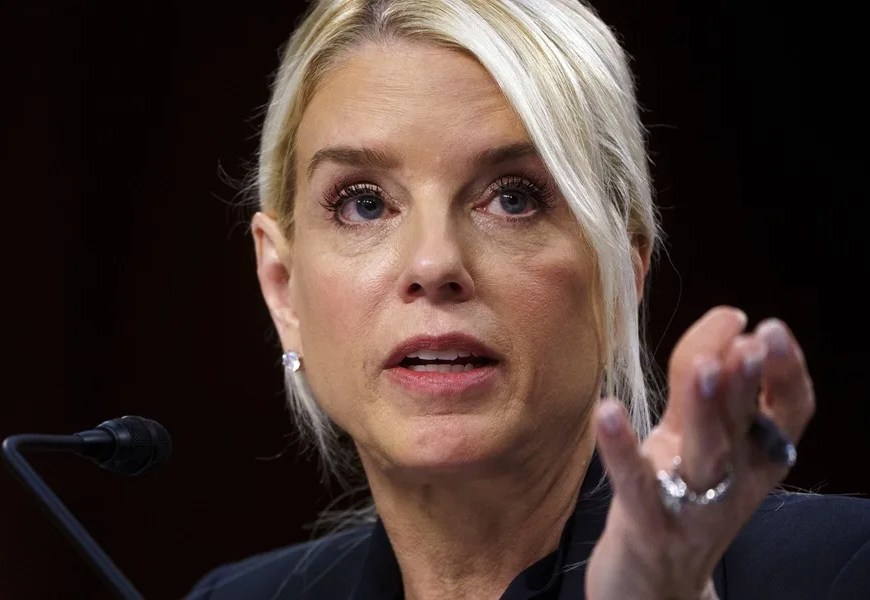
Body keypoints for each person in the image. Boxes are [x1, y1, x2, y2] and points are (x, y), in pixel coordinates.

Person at [188, 0, 870, 598]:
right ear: (283, 287)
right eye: (364, 204)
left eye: (512, 199)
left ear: (621, 273)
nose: (434, 264)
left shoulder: (842, 570)